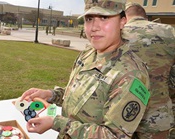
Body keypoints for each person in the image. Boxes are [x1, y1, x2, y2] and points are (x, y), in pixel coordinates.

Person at [19, 0, 152, 138]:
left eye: (104, 17)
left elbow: (113, 135)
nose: (94, 27)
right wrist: (50, 95)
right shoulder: (88, 53)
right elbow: (78, 95)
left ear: (122, 21)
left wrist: (56, 122)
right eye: (89, 19)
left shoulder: (132, 74)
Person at [122, 2, 175, 138]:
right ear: (145, 16)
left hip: (122, 115)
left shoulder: (117, 32)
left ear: (125, 16)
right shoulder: (169, 32)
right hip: (157, 117)